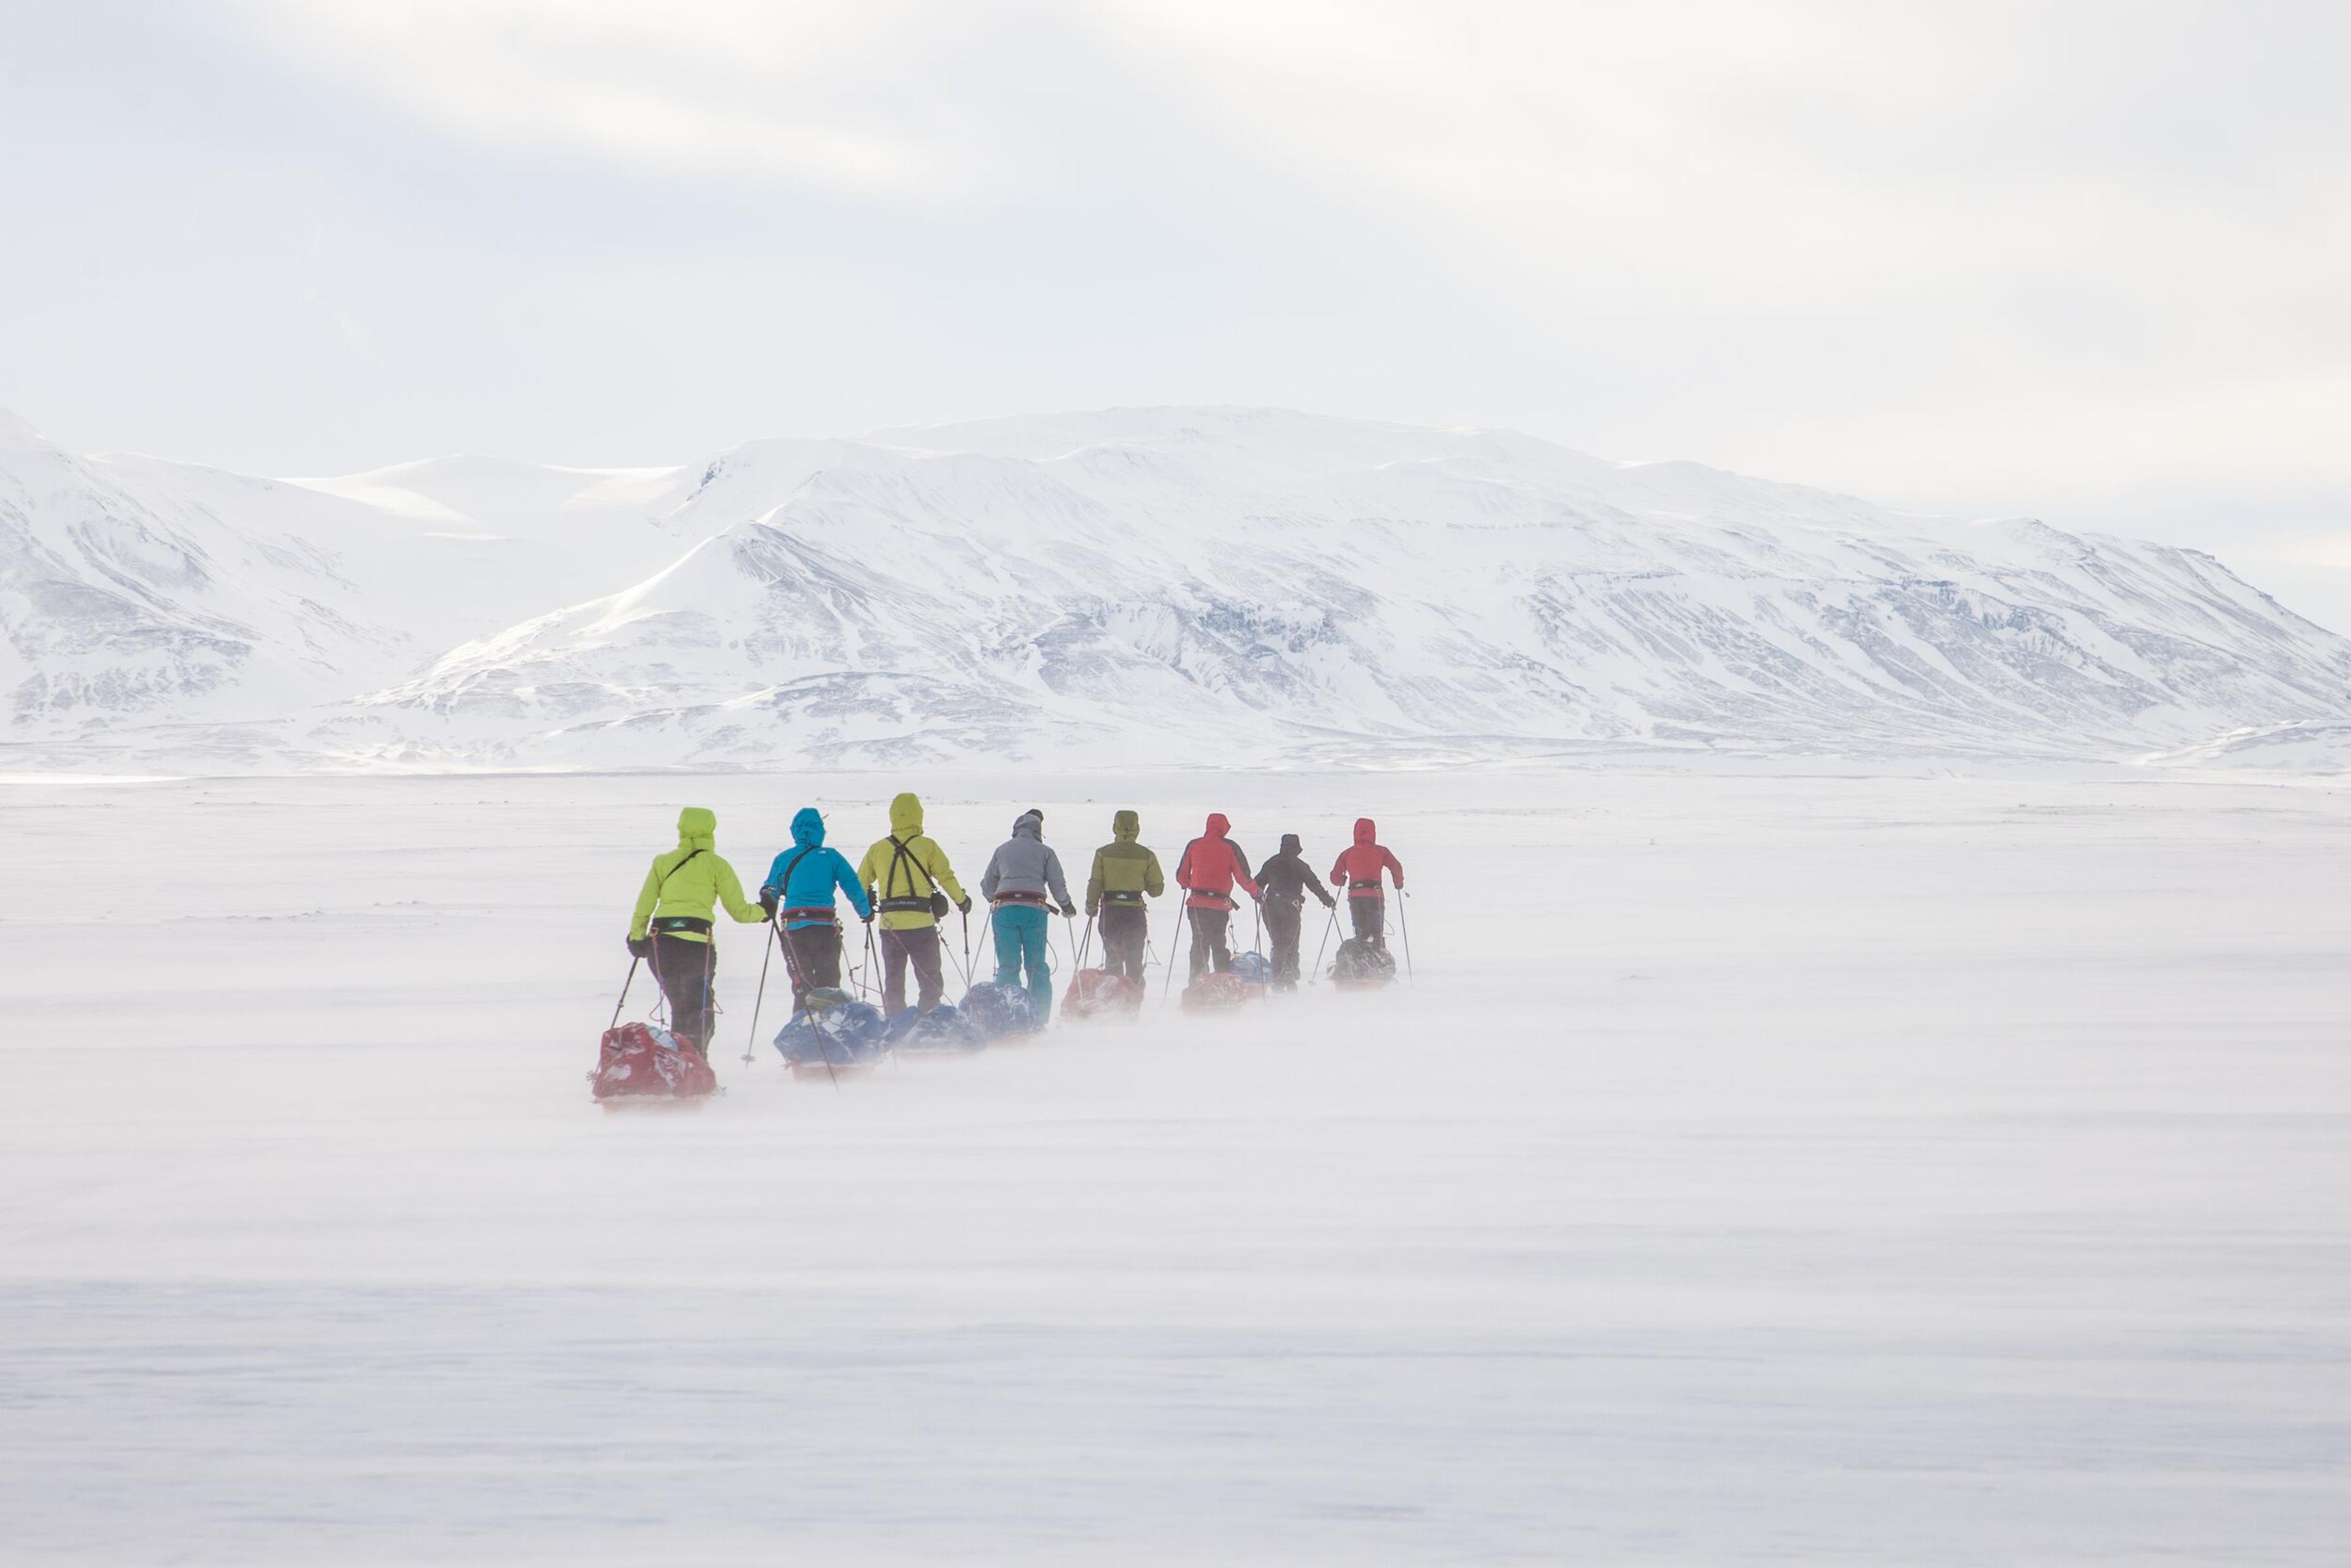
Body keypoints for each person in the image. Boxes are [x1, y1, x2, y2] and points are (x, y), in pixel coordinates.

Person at [626, 806, 767, 1056]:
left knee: (680, 1008)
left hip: (662, 945)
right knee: (700, 1012)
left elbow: (644, 905)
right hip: (697, 945)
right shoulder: (717, 865)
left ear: (681, 828)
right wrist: (765, 911)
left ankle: (675, 1067)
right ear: (712, 830)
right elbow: (739, 912)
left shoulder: (663, 862)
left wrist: (637, 938)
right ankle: (693, 1069)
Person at [855, 792, 970, 1017]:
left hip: (889, 926)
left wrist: (865, 908)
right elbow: (946, 877)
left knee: (894, 982)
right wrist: (962, 901)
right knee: (931, 981)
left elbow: (859, 883)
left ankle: (896, 1026)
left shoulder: (878, 849)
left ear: (893, 817)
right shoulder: (928, 846)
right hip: (921, 925)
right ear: (919, 816)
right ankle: (928, 1023)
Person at [758, 807, 872, 1011]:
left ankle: (802, 1027)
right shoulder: (831, 857)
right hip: (824, 928)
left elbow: (771, 890)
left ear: (794, 830)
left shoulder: (783, 859)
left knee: (802, 983)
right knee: (828, 983)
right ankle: (830, 1026)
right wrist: (866, 913)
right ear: (820, 830)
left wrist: (767, 902)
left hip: (793, 928)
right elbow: (853, 887)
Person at [980, 809, 1075, 1024]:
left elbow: (988, 885)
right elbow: (1057, 883)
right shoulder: (1046, 852)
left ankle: (1007, 1017)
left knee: (1008, 966)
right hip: (1034, 909)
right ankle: (1039, 1019)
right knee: (1036, 965)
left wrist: (993, 900)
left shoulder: (1001, 850)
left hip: (1003, 910)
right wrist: (1066, 905)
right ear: (1037, 830)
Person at [1175, 812, 1258, 980]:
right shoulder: (1230, 847)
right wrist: (1256, 893)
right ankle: (1222, 980)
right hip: (1219, 906)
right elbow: (1243, 876)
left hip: (1196, 904)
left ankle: (1196, 981)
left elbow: (1181, 877)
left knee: (1199, 943)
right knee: (1219, 943)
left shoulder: (1194, 845)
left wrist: (1192, 883)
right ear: (1224, 827)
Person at [1085, 809, 1164, 983]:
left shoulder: (1102, 853)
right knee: (1134, 961)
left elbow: (1095, 883)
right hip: (1134, 913)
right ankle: (1133, 1002)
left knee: (1113, 959)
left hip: (1110, 913)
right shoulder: (1147, 855)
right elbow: (1157, 890)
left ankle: (1114, 999)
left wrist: (1091, 907)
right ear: (1137, 828)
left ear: (1115, 827)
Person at [1254, 832, 1335, 990]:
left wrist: (1258, 897)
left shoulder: (1272, 862)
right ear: (1297, 849)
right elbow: (1314, 884)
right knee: (1289, 943)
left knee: (1278, 942)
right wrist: (1328, 900)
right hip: (1291, 907)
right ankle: (1286, 977)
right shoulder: (1300, 865)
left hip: (1270, 907)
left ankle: (1281, 977)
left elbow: (1258, 883)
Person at [1330, 817, 1405, 950]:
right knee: (1376, 931)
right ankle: (1378, 958)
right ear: (1374, 833)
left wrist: (1342, 881)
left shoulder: (1347, 854)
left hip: (1356, 897)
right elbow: (1396, 867)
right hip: (1375, 896)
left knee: (1360, 931)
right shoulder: (1381, 851)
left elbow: (1335, 878)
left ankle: (1360, 959)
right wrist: (1398, 884)